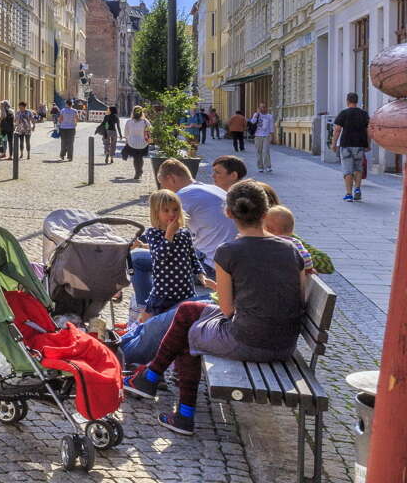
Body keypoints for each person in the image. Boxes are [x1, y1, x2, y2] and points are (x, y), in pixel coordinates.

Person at [125, 180, 306, 436]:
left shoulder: (229, 250)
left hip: (249, 341)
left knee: (190, 331)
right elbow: (298, 295)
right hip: (285, 343)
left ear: (229, 213)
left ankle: (181, 411)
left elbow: (228, 309)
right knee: (188, 310)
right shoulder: (291, 248)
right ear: (265, 212)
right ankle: (150, 377)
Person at [129, 158, 235, 311]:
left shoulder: (182, 196)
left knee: (135, 259)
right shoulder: (210, 188)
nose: (163, 190)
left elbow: (160, 234)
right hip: (224, 262)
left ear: (171, 179)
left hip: (211, 267)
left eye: (162, 185)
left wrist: (131, 245)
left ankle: (145, 307)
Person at [135, 189, 198, 318]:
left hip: (185, 290)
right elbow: (159, 257)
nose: (172, 214)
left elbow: (192, 256)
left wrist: (201, 274)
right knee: (149, 324)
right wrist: (169, 234)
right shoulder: (153, 232)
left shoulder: (184, 233)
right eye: (166, 210)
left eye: (175, 209)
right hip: (163, 291)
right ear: (156, 213)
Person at [331, 92, 372, 202]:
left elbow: (337, 130)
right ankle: (357, 189)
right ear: (356, 101)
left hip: (346, 145)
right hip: (359, 145)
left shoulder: (344, 113)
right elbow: (369, 130)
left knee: (347, 170)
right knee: (358, 168)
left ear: (347, 101)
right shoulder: (364, 114)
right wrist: (368, 144)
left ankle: (349, 194)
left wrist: (334, 144)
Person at [264, 205, 317, 275]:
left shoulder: (267, 243)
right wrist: (308, 269)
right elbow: (306, 259)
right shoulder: (296, 242)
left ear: (268, 229)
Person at [122, 106, 151, 181]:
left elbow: (126, 133)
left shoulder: (129, 121)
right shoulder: (145, 121)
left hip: (132, 143)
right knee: (140, 158)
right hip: (143, 143)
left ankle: (137, 172)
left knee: (135, 158)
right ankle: (140, 170)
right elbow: (151, 130)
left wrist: (127, 140)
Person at [249, 103, 275, 172]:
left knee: (266, 151)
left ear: (266, 108)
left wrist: (272, 136)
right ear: (259, 108)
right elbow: (252, 122)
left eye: (264, 107)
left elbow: (271, 126)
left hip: (266, 135)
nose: (262, 109)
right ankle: (260, 167)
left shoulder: (270, 116)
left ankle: (268, 166)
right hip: (257, 135)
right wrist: (257, 114)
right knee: (258, 151)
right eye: (261, 107)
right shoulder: (256, 115)